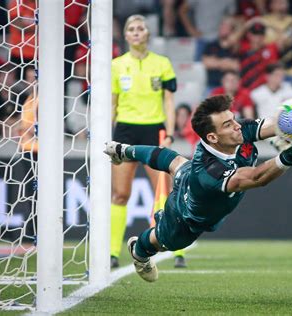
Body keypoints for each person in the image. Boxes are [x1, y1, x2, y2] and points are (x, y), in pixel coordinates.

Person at [103, 89, 292, 282]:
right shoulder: (209, 174)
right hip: (186, 217)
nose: (237, 125)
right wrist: (287, 157)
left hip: (198, 181)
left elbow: (276, 124)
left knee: (176, 162)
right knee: (163, 239)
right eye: (228, 124)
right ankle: (139, 251)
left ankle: (123, 151)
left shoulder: (237, 132)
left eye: (233, 119)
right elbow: (255, 178)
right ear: (212, 137)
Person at [110, 15, 177, 269]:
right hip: (125, 131)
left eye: (141, 28)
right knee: (120, 193)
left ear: (147, 34)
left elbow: (169, 101)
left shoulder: (162, 64)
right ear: (126, 36)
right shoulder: (116, 65)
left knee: (163, 192)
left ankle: (168, 245)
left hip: (154, 130)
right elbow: (113, 104)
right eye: (132, 29)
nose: (136, 32)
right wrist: (109, 134)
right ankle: (112, 252)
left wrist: (169, 132)